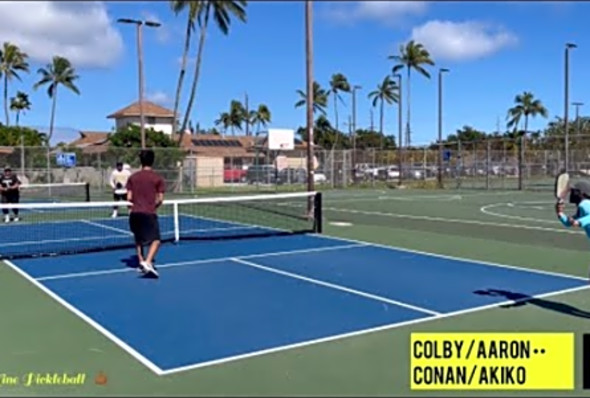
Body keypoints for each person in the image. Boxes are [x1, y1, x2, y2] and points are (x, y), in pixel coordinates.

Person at [126, 150, 165, 278]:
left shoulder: (133, 177)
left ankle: (141, 261)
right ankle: (148, 262)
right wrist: (153, 207)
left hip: (135, 213)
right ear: (153, 161)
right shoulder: (157, 178)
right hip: (148, 213)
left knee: (138, 238)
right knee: (156, 240)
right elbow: (160, 199)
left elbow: (129, 197)